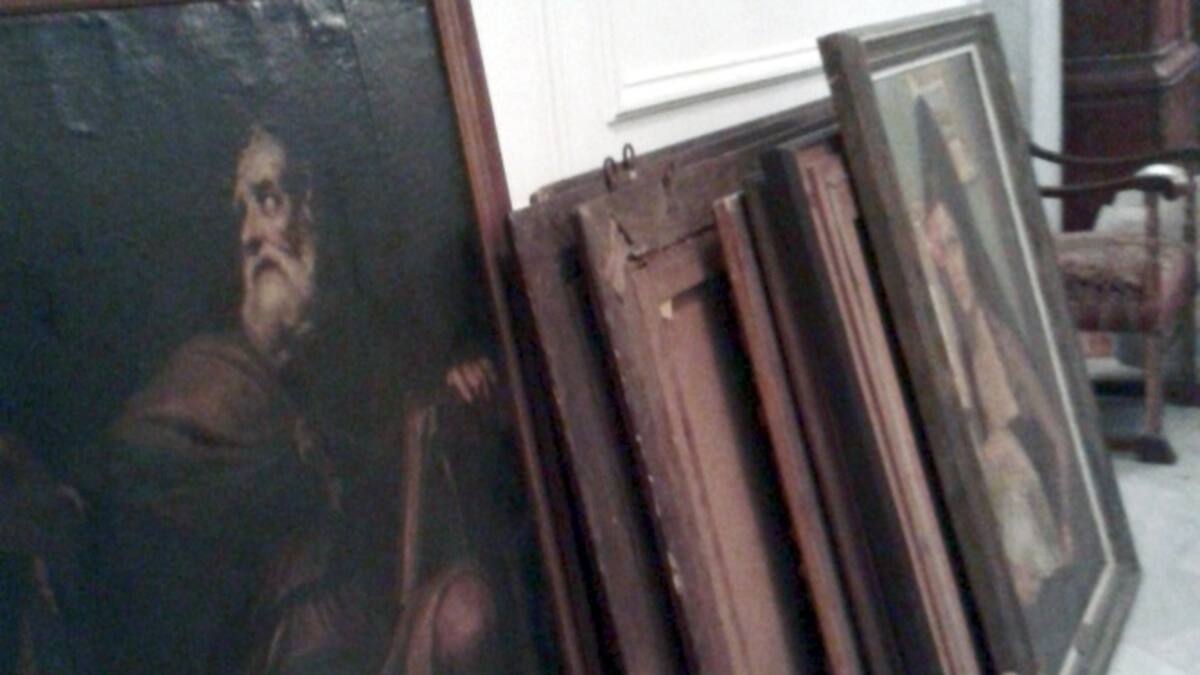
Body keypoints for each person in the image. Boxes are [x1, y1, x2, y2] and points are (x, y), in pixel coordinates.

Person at [59, 125, 505, 674]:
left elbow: (424, 466)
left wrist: (462, 394)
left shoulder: (378, 353)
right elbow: (116, 484)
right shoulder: (210, 375)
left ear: (315, 213)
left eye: (268, 200)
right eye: (241, 211)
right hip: (273, 645)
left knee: (465, 614)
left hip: (384, 627)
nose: (250, 234)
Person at [914, 98, 1078, 606]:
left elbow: (1056, 435)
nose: (948, 267)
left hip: (1025, 504)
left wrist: (1065, 517)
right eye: (933, 254)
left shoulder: (996, 332)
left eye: (952, 245)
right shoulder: (936, 341)